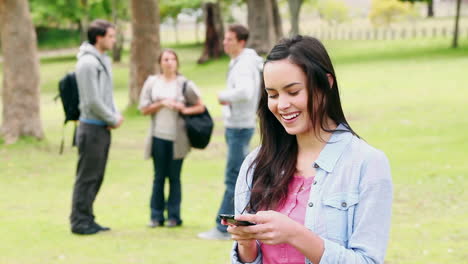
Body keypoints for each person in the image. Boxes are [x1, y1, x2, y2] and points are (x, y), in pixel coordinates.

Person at [223, 35, 393, 264]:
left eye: (293, 92)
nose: (281, 105)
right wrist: (245, 243)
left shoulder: (367, 164)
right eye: (272, 95)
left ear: (326, 83)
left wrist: (295, 234)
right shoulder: (256, 163)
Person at [198, 24, 263, 240]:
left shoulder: (245, 64)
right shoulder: (240, 62)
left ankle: (222, 227)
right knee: (242, 175)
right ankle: (243, 220)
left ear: (241, 42)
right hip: (238, 125)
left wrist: (224, 96)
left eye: (229, 39)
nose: (225, 42)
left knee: (234, 177)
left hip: (239, 126)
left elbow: (245, 92)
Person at [139, 49, 205, 228]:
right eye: (165, 59)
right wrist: (160, 104)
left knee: (175, 177)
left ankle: (174, 216)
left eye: (172, 59)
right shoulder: (152, 83)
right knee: (158, 177)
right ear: (160, 62)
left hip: (178, 139)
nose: (169, 62)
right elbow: (143, 109)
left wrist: (181, 108)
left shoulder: (184, 84)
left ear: (177, 62)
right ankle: (156, 216)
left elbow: (200, 107)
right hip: (158, 137)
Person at [70, 19, 124, 235]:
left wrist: (113, 115)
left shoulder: (102, 60)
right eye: (111, 36)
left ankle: (88, 218)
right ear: (99, 37)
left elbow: (106, 95)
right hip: (91, 128)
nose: (114, 40)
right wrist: (112, 119)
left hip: (101, 127)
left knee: (96, 176)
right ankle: (79, 221)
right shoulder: (87, 63)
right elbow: (92, 101)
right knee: (87, 177)